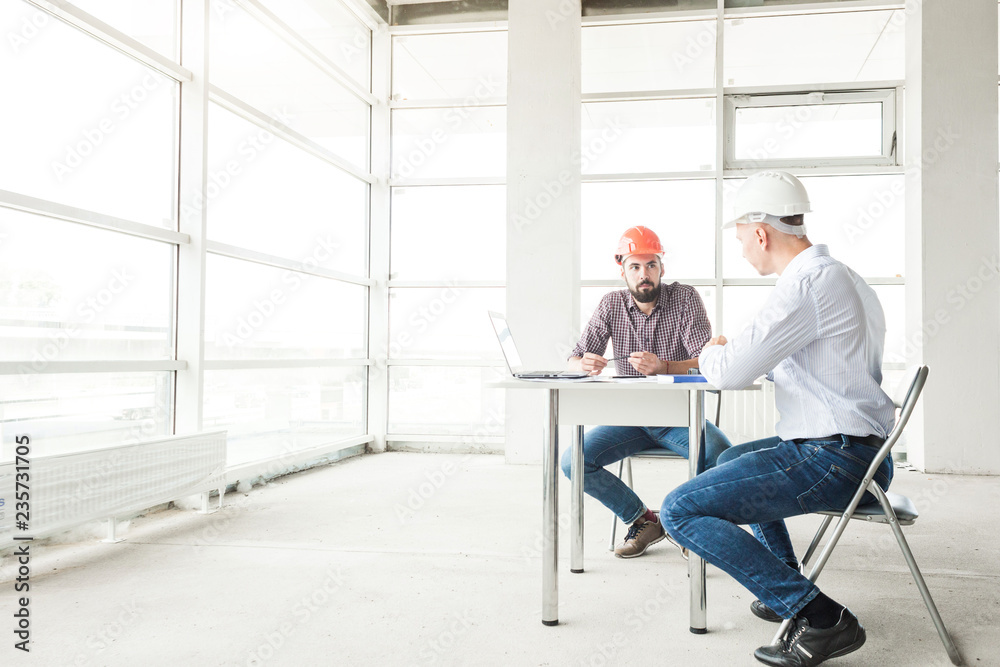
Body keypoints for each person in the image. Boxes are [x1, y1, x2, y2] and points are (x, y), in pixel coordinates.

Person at [659, 171, 895, 666]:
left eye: (742, 239)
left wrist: (709, 350)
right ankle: (782, 578)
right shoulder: (842, 275)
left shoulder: (805, 285)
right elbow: (821, 367)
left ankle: (822, 617)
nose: (743, 250)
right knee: (731, 454)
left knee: (680, 510)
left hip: (834, 458)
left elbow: (728, 371)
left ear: (761, 233)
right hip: (860, 451)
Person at [561, 225, 732, 559]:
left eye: (651, 265)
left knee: (722, 455)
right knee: (573, 461)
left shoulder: (685, 299)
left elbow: (709, 361)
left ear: (662, 268)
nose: (644, 274)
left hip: (678, 418)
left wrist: (666, 367)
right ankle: (643, 520)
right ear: (622, 270)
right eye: (635, 267)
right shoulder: (611, 305)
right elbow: (573, 358)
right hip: (630, 419)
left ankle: (690, 527)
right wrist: (582, 365)